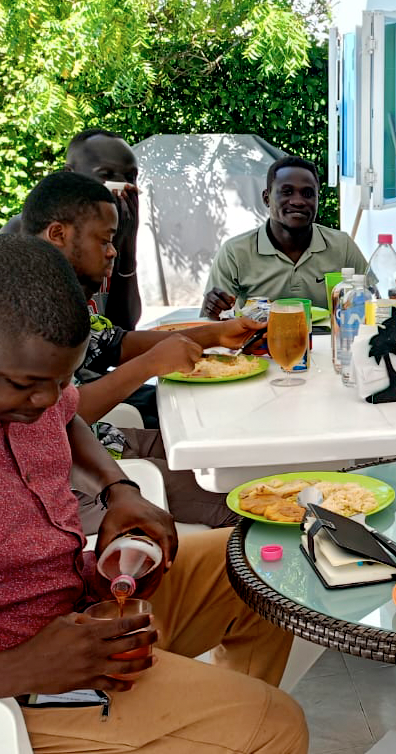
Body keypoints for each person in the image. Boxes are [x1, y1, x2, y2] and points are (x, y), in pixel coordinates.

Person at [0, 234, 306, 754]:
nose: (46, 401)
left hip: (73, 608)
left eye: (60, 381)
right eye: (25, 386)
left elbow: (65, 418)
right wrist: (23, 668)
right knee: (272, 726)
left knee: (259, 568)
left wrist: (118, 490)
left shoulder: (12, 367)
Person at [23, 172, 260, 529]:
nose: (112, 251)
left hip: (108, 440)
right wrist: (149, 365)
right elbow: (52, 421)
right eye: (104, 240)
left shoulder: (62, 298)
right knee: (248, 502)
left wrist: (216, 334)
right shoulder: (24, 311)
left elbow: (116, 344)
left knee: (234, 458)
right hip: (75, 482)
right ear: (58, 234)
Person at [4, 130, 144, 330]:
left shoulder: (113, 233)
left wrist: (127, 243)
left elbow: (124, 325)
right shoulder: (26, 232)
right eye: (106, 175)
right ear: (70, 174)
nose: (123, 186)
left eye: (130, 177)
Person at [202, 156, 366, 320]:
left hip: (331, 336)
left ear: (317, 200)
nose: (298, 201)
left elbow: (371, 302)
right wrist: (214, 307)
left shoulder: (342, 246)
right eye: (287, 192)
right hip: (260, 337)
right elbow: (213, 319)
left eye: (308, 193)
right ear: (266, 198)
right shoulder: (235, 252)